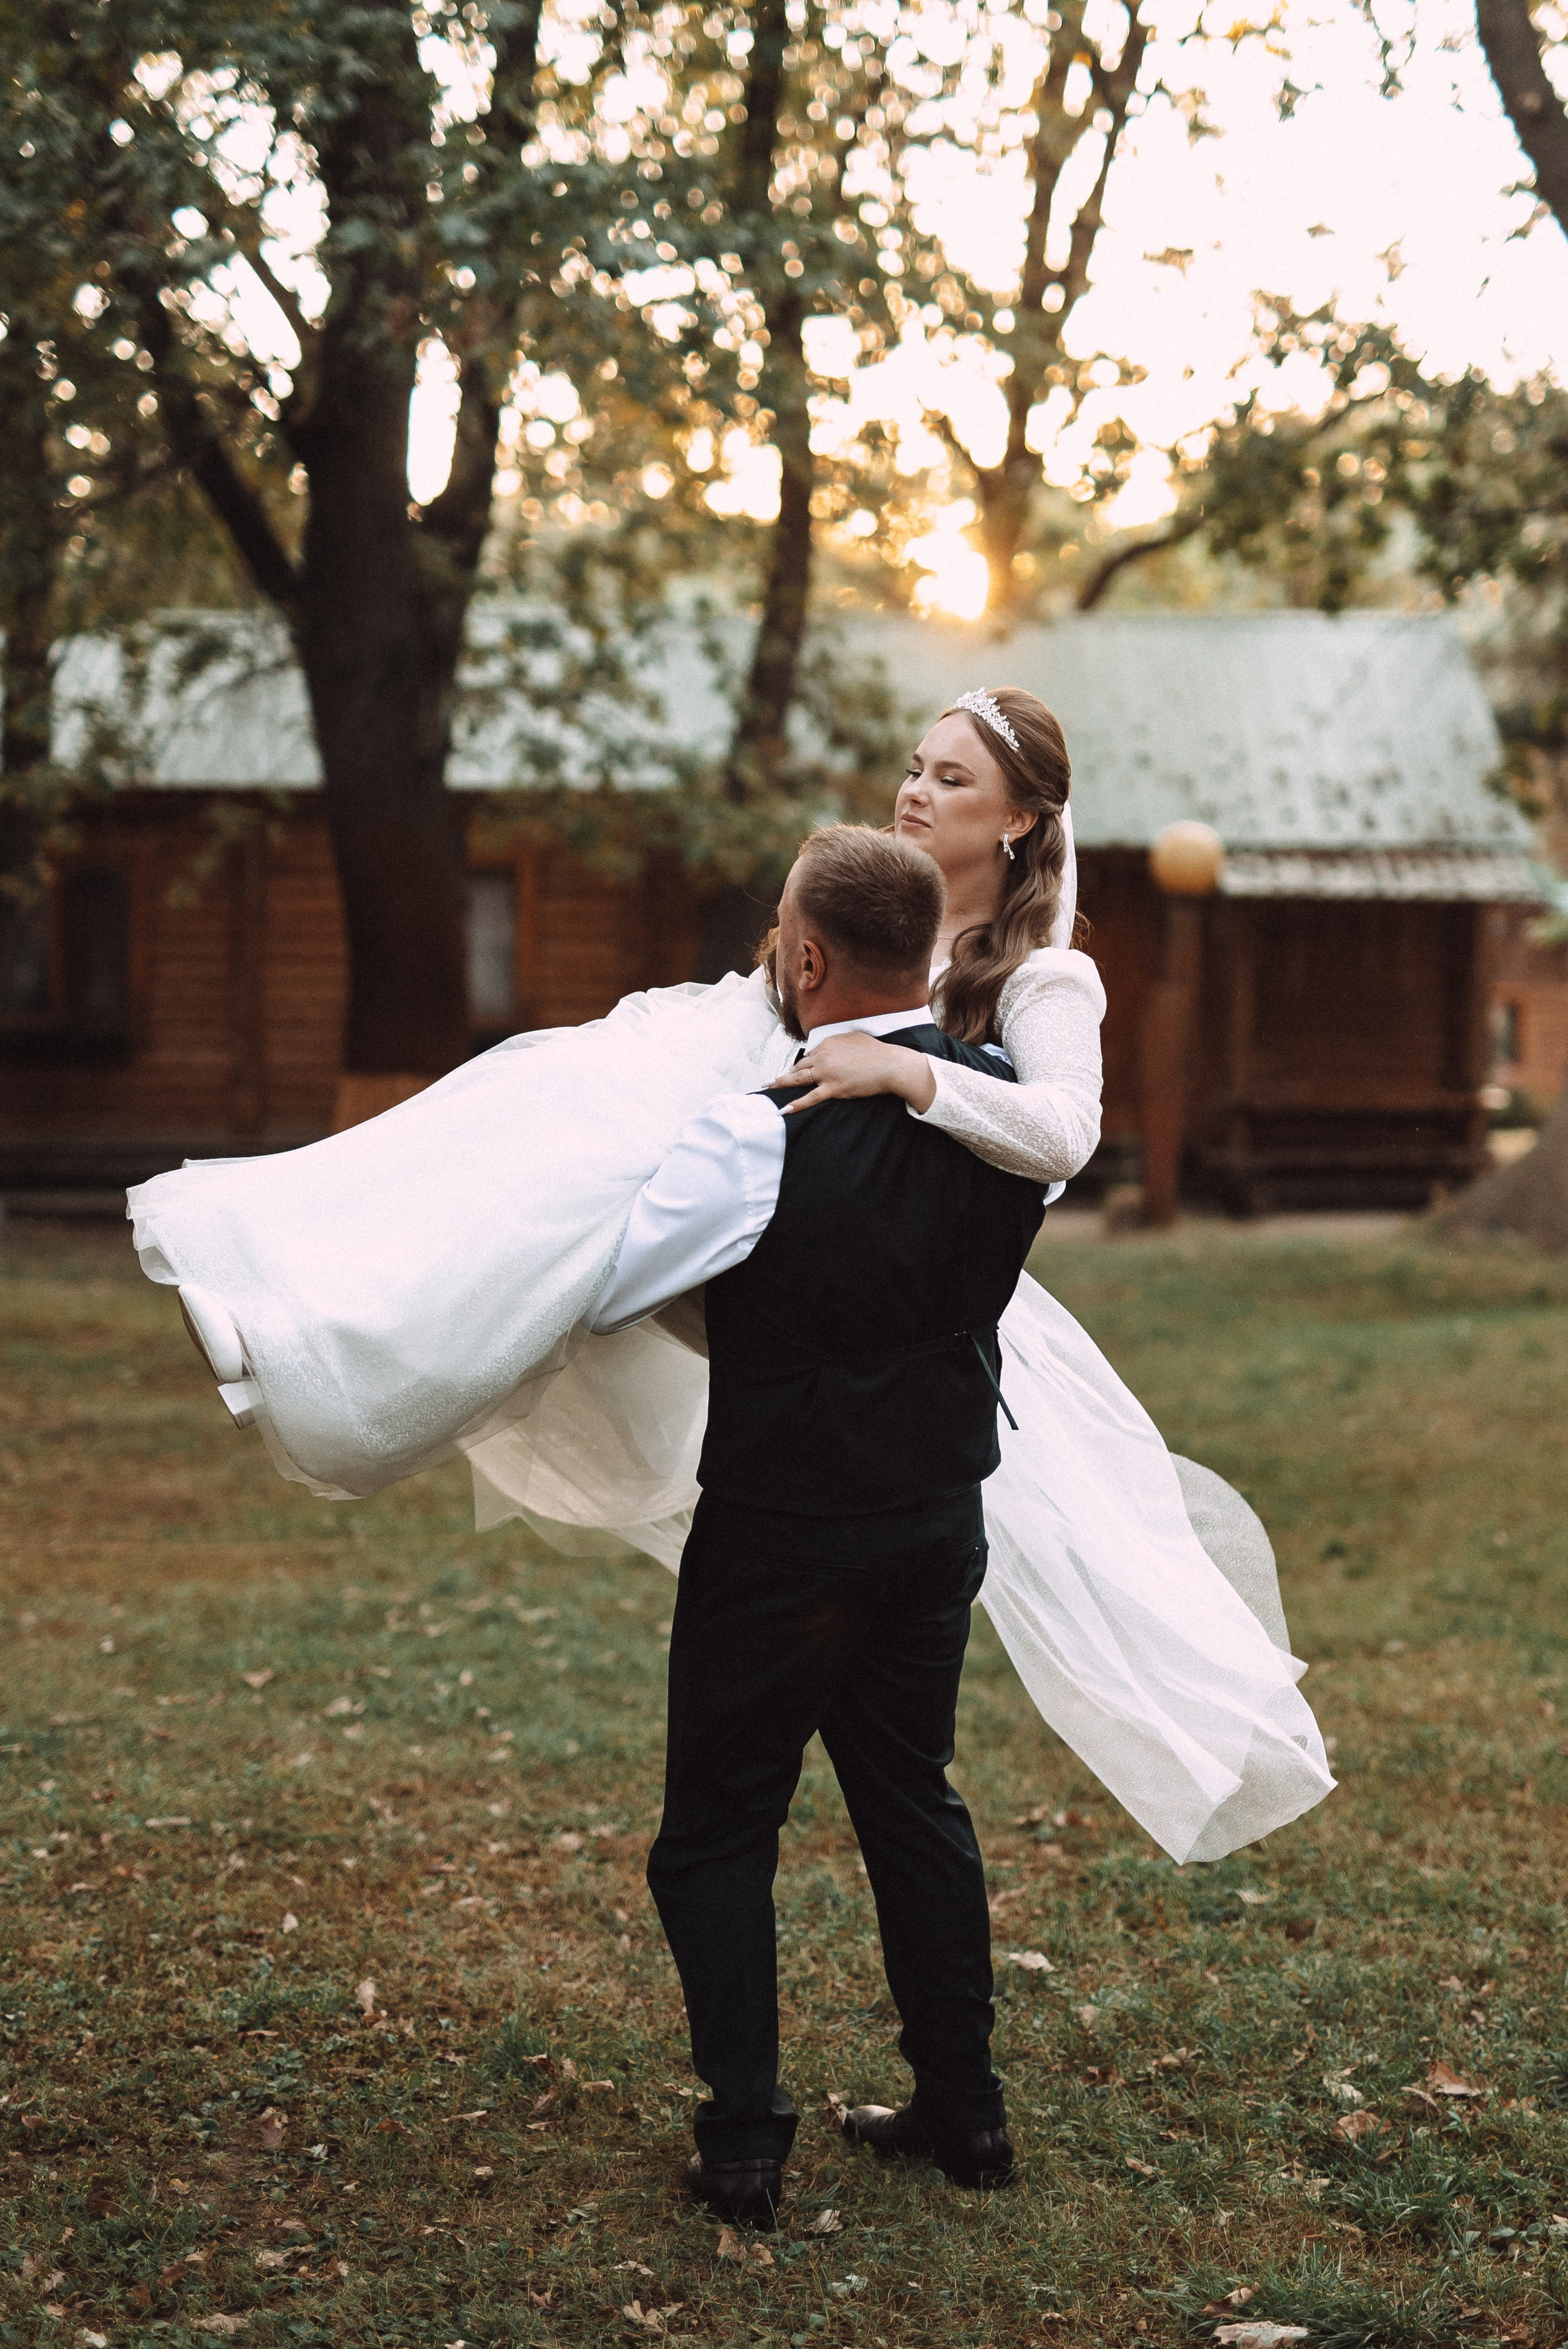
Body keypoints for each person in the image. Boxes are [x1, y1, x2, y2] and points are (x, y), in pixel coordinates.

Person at [129, 686, 1333, 1871]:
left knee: (874, 1746)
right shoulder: (870, 904)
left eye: (952, 778)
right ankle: (297, 1306)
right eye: (915, 767)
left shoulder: (1037, 977)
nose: (916, 791)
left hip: (893, 1298)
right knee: (545, 1128)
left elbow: (1064, 1133)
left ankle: (337, 1366)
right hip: (762, 1204)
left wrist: (905, 1072)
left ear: (1019, 820)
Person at [588, 825, 1044, 2225]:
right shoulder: (1002, 1109)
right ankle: (965, 2112)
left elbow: (617, 1288)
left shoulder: (758, 1125)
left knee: (718, 1827)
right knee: (912, 1802)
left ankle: (743, 2143)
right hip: (934, 1515)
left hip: (781, 1530)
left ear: (802, 958)